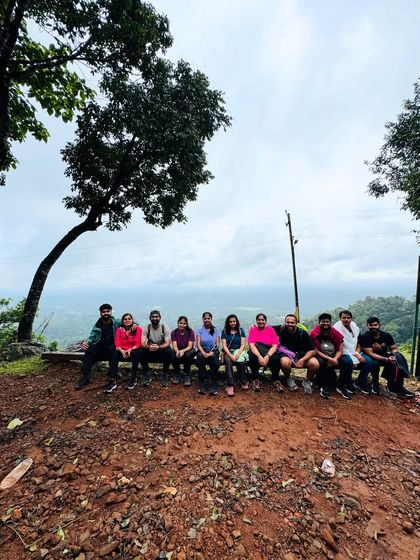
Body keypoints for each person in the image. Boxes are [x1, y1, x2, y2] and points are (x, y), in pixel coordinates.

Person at [358, 316, 415, 397]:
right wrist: (386, 359)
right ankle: (375, 382)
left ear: (379, 325)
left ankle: (398, 386)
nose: (373, 327)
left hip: (383, 355)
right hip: (371, 357)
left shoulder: (386, 335)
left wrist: (394, 356)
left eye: (375, 325)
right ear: (367, 326)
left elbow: (394, 348)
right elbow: (370, 353)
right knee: (374, 363)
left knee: (397, 360)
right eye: (370, 325)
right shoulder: (365, 337)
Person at [76, 303, 121, 389]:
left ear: (111, 312)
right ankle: (85, 377)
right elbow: (92, 336)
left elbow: (130, 322)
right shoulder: (98, 324)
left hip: (112, 348)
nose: (106, 313)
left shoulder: (117, 322)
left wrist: (134, 324)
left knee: (114, 350)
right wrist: (86, 342)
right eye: (103, 312)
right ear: (100, 313)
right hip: (100, 347)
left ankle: (112, 378)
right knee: (88, 349)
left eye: (108, 311)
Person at [310, 313, 353, 400]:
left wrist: (335, 359)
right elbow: (316, 350)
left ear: (331, 322)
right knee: (321, 362)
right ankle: (323, 385)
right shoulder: (314, 333)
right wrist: (329, 359)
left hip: (335, 355)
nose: (325, 323)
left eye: (327, 322)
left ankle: (342, 385)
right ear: (319, 322)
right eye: (323, 322)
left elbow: (340, 350)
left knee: (347, 361)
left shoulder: (335, 333)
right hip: (321, 355)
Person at [273, 314, 319, 394]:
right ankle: (289, 379)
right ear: (285, 322)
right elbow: (266, 327)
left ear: (296, 323)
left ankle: (307, 380)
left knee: (315, 364)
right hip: (286, 353)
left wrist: (302, 360)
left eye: (292, 322)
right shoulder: (280, 329)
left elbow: (312, 350)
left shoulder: (302, 333)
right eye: (288, 322)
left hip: (301, 354)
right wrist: (254, 326)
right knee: (284, 363)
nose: (290, 324)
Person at [105, 313, 143, 393]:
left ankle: (133, 378)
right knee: (114, 353)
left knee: (136, 353)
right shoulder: (119, 330)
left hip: (133, 351)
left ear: (132, 320)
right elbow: (117, 343)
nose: (127, 320)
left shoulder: (138, 329)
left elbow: (138, 343)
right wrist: (121, 351)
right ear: (122, 321)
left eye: (129, 319)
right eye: (125, 319)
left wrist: (130, 350)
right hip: (122, 351)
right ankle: (112, 379)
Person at [135, 310, 172, 387]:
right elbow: (142, 343)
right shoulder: (147, 328)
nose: (155, 318)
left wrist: (158, 347)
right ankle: (146, 373)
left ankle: (165, 374)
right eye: (153, 317)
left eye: (156, 317)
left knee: (168, 351)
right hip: (150, 350)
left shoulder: (164, 327)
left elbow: (168, 342)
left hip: (160, 349)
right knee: (140, 351)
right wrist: (149, 347)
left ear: (160, 318)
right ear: (150, 318)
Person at [333, 310, 365, 394]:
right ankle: (343, 384)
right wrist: (355, 354)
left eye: (348, 318)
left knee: (368, 362)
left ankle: (359, 382)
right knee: (348, 362)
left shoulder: (355, 327)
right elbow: (341, 346)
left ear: (351, 319)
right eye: (344, 318)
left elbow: (358, 343)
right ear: (340, 319)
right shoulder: (336, 329)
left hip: (355, 351)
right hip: (342, 352)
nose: (346, 319)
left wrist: (357, 353)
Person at [248, 313, 281, 392]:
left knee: (276, 358)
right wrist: (259, 356)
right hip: (256, 350)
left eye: (263, 320)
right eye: (259, 320)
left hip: (268, 350)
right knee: (252, 357)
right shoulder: (253, 330)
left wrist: (267, 356)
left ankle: (276, 379)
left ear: (265, 321)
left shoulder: (271, 330)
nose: (261, 321)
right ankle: (255, 378)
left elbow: (274, 345)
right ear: (256, 321)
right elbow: (251, 345)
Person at [221, 314, 248, 396]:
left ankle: (243, 381)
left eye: (234, 321)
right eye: (230, 322)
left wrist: (238, 354)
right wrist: (231, 355)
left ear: (237, 322)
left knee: (241, 362)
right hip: (228, 351)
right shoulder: (225, 331)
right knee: (228, 360)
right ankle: (230, 385)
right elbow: (224, 346)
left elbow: (243, 344)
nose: (232, 323)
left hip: (238, 351)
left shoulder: (241, 331)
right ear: (228, 323)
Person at [196, 312, 221, 395]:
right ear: (202, 319)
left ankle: (214, 381)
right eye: (205, 318)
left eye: (208, 318)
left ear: (211, 319)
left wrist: (210, 353)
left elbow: (217, 344)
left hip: (213, 350)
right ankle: (203, 380)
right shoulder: (199, 330)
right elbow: (198, 344)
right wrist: (203, 352)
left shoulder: (216, 330)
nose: (206, 320)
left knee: (214, 358)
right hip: (202, 350)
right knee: (199, 357)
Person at [171, 316, 196, 386]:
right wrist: (178, 351)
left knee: (188, 355)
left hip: (188, 350)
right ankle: (176, 373)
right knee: (173, 354)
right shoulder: (174, 332)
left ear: (186, 324)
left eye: (184, 323)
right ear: (178, 323)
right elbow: (174, 345)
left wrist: (183, 351)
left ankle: (187, 374)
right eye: (180, 323)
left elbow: (190, 346)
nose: (182, 325)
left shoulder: (190, 332)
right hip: (178, 349)